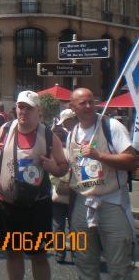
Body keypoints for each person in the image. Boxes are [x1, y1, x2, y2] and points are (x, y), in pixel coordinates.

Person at [0, 90, 68, 280]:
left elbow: (63, 167)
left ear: (38, 111)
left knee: (39, 256)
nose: (23, 111)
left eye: (28, 107)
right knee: (13, 253)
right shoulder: (6, 129)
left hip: (37, 206)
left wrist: (53, 168)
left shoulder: (49, 136)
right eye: (20, 106)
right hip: (7, 204)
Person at [67, 88, 138, 280]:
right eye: (83, 103)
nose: (89, 106)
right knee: (85, 266)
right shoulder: (71, 133)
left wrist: (99, 155)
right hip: (83, 204)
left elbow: (132, 160)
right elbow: (74, 174)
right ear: (72, 108)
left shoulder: (111, 126)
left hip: (112, 203)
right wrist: (71, 213)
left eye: (91, 101)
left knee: (119, 268)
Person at [50, 108, 78, 264]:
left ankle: (60, 254)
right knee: (73, 224)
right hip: (73, 188)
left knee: (59, 224)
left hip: (60, 186)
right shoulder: (79, 136)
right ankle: (75, 254)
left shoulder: (56, 137)